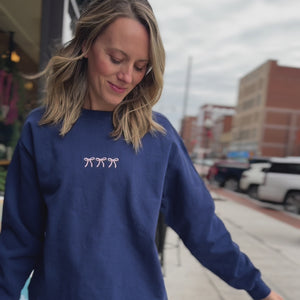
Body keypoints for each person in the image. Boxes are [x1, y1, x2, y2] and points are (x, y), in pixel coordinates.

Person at [0, 0, 283, 299]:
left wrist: (259, 289)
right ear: (86, 45)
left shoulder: (157, 138)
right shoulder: (41, 130)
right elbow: (19, 239)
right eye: (116, 58)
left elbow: (201, 227)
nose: (127, 77)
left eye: (140, 66)